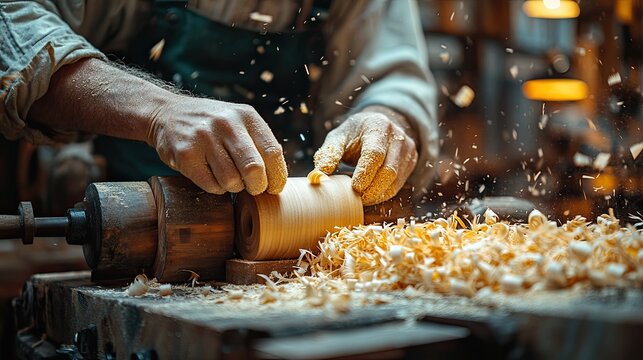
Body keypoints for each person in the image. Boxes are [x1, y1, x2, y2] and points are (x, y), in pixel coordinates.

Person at [0, 0, 439, 206]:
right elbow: (11, 27)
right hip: (131, 215)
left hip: (284, 232)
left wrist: (384, 117)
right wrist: (159, 112)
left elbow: (389, 80)